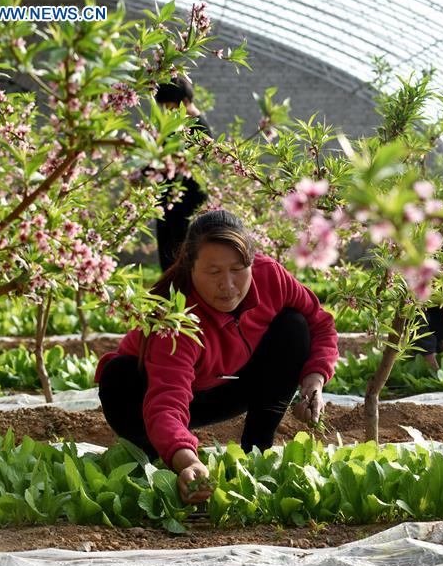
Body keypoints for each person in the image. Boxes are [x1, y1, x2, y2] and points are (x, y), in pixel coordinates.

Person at [95, 210, 338, 504]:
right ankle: (149, 452)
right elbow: (166, 401)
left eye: (238, 269)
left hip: (227, 385)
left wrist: (314, 380)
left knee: (294, 326)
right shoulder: (176, 318)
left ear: (251, 261)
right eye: (214, 272)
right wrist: (187, 460)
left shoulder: (270, 276)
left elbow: (320, 323)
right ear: (190, 268)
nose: (228, 285)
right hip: (145, 398)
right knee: (118, 376)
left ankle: (257, 453)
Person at [153, 76, 212, 271]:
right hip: (169, 203)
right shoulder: (176, 125)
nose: (167, 113)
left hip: (186, 205)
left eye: (170, 108)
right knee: (169, 261)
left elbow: (190, 165)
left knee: (183, 260)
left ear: (185, 102)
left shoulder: (198, 127)